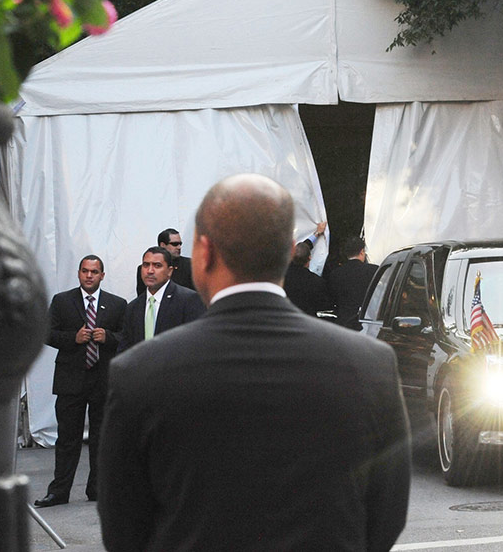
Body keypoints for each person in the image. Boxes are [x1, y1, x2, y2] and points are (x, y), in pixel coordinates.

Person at [98, 174, 410, 551]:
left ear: (203, 253)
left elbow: (123, 528)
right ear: (289, 251)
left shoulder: (139, 373)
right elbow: (386, 515)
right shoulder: (369, 364)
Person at [34, 255, 126, 508]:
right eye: (85, 271)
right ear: (78, 273)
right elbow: (46, 332)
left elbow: (127, 336)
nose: (89, 275)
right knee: (67, 439)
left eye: (94, 272)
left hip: (103, 379)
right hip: (70, 380)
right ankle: (59, 492)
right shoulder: (62, 301)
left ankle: (97, 489)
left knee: (101, 438)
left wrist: (107, 337)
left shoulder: (117, 304)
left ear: (102, 276)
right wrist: (72, 338)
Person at [118, 246, 204, 353]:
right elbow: (125, 348)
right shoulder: (133, 307)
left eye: (157, 266)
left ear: (169, 271)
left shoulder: (188, 300)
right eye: (146, 265)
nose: (150, 271)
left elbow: (196, 344)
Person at [327, 236, 379, 330]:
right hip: (367, 323)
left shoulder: (335, 274)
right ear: (362, 251)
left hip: (343, 324)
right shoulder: (374, 271)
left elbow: (333, 299)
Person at [284, 222, 333, 317]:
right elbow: (324, 305)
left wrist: (316, 234)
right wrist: (317, 233)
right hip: (306, 323)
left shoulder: (281, 278)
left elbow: (301, 249)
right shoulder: (316, 282)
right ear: (310, 257)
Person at [135, 228, 194, 295]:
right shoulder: (144, 269)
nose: (179, 247)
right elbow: (142, 296)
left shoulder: (190, 265)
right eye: (175, 244)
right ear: (162, 245)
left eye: (180, 244)